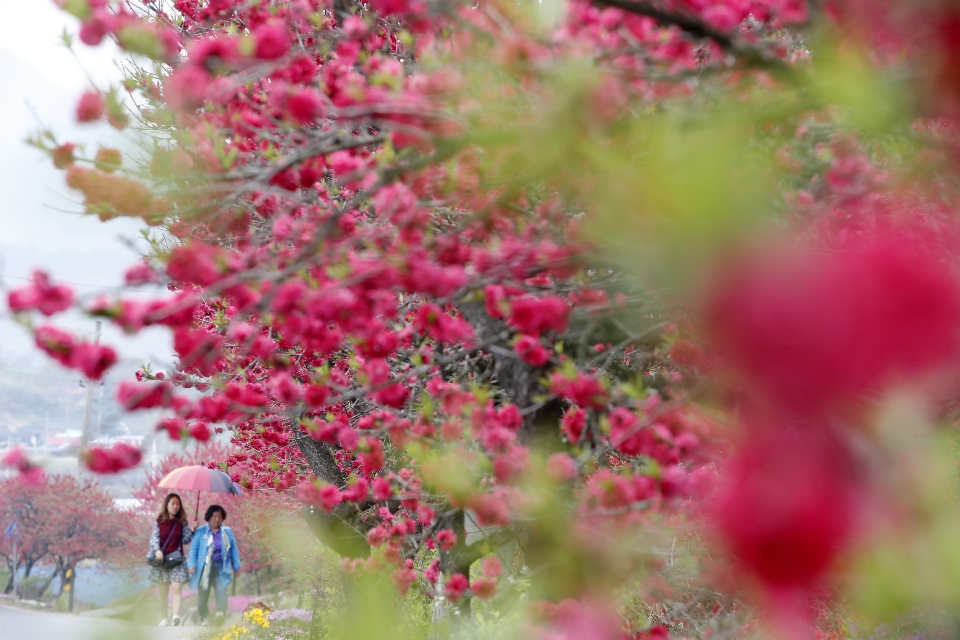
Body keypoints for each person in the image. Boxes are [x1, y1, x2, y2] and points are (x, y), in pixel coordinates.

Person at [188, 504, 241, 626]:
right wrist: (191, 565)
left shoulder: (227, 532)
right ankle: (204, 617)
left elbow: (233, 550)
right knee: (203, 596)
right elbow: (193, 550)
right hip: (204, 569)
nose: (217, 519)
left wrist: (236, 566)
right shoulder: (200, 531)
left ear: (223, 518)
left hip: (221, 568)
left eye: (219, 517)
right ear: (209, 517)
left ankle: (220, 614)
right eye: (214, 516)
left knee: (221, 590)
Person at [147, 493, 193, 627]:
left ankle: (176, 617)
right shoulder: (159, 521)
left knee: (176, 587)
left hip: (177, 559)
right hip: (161, 560)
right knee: (162, 591)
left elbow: (185, 539)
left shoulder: (182, 522)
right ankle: (163, 618)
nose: (175, 506)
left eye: (178, 504)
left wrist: (192, 529)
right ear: (167, 505)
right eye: (173, 503)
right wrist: (157, 550)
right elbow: (154, 538)